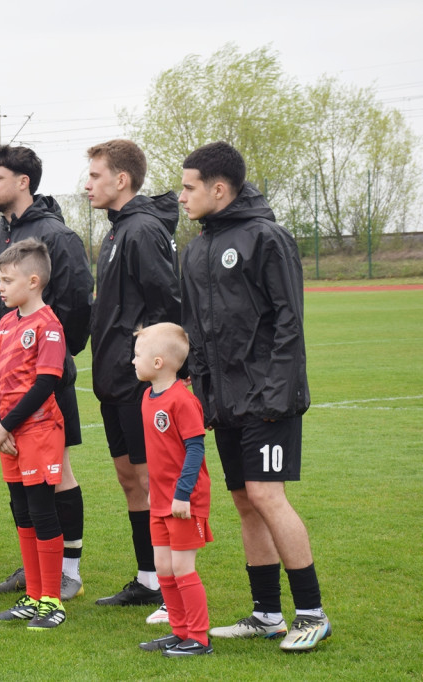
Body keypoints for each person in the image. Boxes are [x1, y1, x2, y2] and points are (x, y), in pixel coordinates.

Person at [179, 141, 330, 652]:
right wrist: (203, 393)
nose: (182, 197)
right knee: (245, 501)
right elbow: (195, 330)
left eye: (189, 187)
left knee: (267, 496)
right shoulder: (195, 249)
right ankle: (267, 614)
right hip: (225, 402)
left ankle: (311, 613)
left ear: (219, 189)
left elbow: (290, 321)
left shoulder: (267, 237)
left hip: (268, 398)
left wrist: (275, 393)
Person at [0, 145, 91, 602]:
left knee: (57, 474)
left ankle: (68, 571)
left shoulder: (58, 235)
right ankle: (35, 569)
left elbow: (78, 305)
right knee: (19, 479)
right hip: (4, 382)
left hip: (46, 380)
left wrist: (52, 357)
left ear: (23, 181)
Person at [84, 140, 182, 619]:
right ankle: (148, 579)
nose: (87, 184)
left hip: (138, 381)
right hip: (114, 381)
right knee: (130, 479)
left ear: (121, 179)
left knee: (151, 481)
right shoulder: (118, 229)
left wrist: (149, 361)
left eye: (95, 175)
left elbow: (167, 303)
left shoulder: (141, 230)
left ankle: (171, 586)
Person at [0, 239, 68, 630]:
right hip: (8, 433)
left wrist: (6, 424)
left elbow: (45, 384)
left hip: (37, 431)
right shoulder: (5, 323)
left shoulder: (48, 326)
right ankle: (33, 595)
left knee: (41, 510)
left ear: (33, 281)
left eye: (7, 280)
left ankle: (52, 600)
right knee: (20, 510)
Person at [132, 323, 212, 657]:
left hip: (184, 501)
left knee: (182, 568)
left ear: (158, 362)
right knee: (163, 568)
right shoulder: (147, 397)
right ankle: (179, 631)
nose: (133, 361)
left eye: (137, 355)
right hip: (161, 500)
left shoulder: (183, 400)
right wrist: (156, 489)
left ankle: (199, 638)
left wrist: (182, 494)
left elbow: (195, 450)